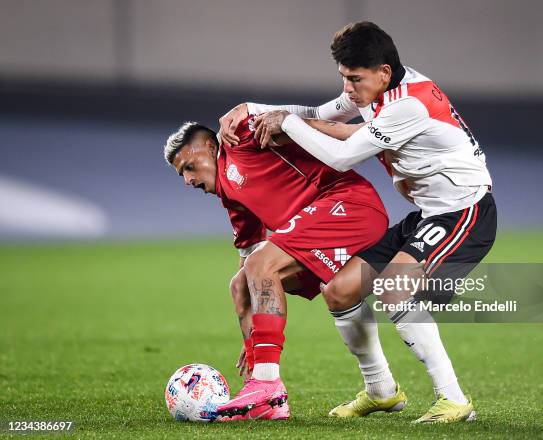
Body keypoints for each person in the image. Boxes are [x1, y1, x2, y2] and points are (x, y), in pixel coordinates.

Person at [220, 21, 496, 423]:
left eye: (354, 79)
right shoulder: (376, 90)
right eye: (343, 79)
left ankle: (454, 399)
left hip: (465, 210)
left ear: (383, 72)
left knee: (395, 290)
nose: (347, 89)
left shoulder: (410, 104)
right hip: (428, 214)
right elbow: (316, 113)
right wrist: (253, 109)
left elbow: (341, 156)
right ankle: (381, 390)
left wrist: (287, 124)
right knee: (340, 291)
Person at [163, 116, 404, 420]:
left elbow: (280, 118)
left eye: (189, 166)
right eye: (181, 175)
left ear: (211, 147)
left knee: (261, 266)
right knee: (239, 285)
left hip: (349, 205)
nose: (187, 180)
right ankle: (266, 399)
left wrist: (250, 108)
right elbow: (248, 265)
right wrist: (255, 341)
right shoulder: (233, 198)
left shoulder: (240, 139)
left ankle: (267, 383)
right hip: (330, 222)